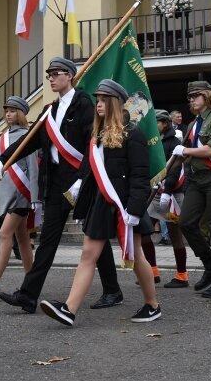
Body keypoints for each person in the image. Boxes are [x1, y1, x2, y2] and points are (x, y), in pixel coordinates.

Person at [0, 57, 121, 314]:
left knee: (94, 232)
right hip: (54, 183)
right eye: (49, 74)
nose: (51, 78)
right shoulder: (49, 110)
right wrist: (4, 160)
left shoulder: (84, 103)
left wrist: (82, 179)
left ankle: (112, 289)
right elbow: (30, 142)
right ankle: (29, 296)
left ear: (70, 75)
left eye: (56, 73)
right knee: (48, 240)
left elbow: (92, 143)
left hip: (79, 181)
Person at [40, 79, 159, 325]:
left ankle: (152, 305)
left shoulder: (133, 134)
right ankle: (69, 309)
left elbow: (139, 176)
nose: (99, 105)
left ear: (115, 103)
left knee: (136, 256)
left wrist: (135, 211)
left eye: (104, 100)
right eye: (98, 100)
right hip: (101, 203)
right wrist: (78, 184)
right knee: (88, 255)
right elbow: (91, 166)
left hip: (124, 206)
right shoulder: (98, 135)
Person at [174, 81, 211, 298]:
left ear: (208, 96)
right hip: (196, 180)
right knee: (186, 223)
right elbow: (187, 155)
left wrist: (186, 149)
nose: (192, 99)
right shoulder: (193, 124)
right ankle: (210, 265)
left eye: (196, 95)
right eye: (190, 96)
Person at [0, 96, 38, 300]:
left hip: (22, 194)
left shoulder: (28, 136)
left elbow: (33, 169)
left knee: (5, 233)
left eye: (12, 110)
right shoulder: (3, 137)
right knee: (22, 239)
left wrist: (36, 199)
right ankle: (31, 282)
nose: (8, 114)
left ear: (20, 113)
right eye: (7, 110)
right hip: (7, 195)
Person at [154, 109, 190, 287]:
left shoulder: (174, 142)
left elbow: (175, 169)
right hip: (155, 191)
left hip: (173, 193)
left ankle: (182, 275)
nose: (155, 126)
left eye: (157, 122)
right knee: (143, 229)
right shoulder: (154, 141)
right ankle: (152, 271)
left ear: (165, 123)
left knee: (175, 233)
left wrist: (167, 190)